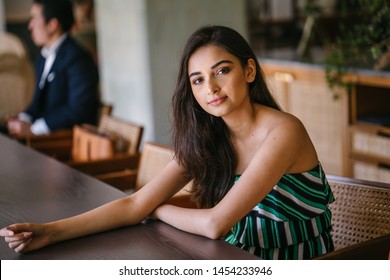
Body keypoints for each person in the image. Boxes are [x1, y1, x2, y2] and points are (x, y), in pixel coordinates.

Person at [0, 25, 335, 260]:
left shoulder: (284, 131)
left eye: (222, 71)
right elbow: (133, 206)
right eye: (198, 80)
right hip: (234, 257)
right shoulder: (209, 136)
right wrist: (52, 232)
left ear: (248, 71)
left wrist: (157, 209)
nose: (211, 89)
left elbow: (215, 224)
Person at [4, 0, 99, 137]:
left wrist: (34, 129)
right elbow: (38, 102)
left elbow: (78, 109)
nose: (30, 26)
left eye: (34, 19)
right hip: (47, 139)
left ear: (52, 25)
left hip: (66, 143)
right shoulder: (43, 57)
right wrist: (22, 119)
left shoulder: (78, 58)